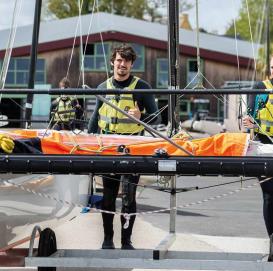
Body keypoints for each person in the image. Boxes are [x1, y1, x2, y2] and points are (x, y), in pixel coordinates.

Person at [88, 44, 160, 250]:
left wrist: (142, 116)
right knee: (108, 198)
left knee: (128, 198)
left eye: (127, 61)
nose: (122, 64)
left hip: (132, 149)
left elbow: (157, 118)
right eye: (119, 60)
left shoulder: (142, 87)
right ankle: (108, 239)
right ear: (113, 62)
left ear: (131, 64)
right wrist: (85, 144)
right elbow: (94, 119)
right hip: (108, 148)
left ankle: (126, 241)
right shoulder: (103, 88)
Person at [243, 55, 273, 260]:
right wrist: (248, 122)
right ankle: (272, 242)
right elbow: (249, 118)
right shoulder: (259, 88)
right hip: (264, 147)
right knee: (270, 196)